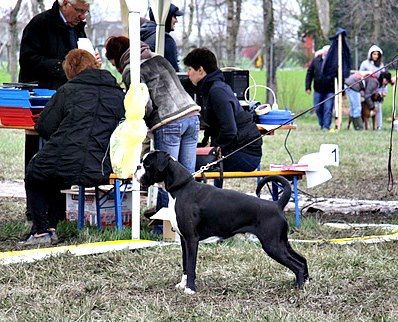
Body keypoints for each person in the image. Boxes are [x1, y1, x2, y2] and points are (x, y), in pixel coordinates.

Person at [22, 49, 125, 245]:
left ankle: (42, 231)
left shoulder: (68, 90)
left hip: (66, 160)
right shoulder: (117, 94)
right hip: (101, 165)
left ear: (70, 69)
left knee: (36, 171)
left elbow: (45, 126)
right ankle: (50, 227)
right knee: (52, 173)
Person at [19, 0, 98, 221]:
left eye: (86, 12)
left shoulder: (77, 28)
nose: (82, 16)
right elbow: (28, 60)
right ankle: (36, 210)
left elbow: (80, 58)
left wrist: (89, 62)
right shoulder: (40, 24)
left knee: (63, 154)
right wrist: (65, 66)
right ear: (65, 3)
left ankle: (59, 208)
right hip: (41, 101)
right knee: (38, 156)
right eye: (80, 10)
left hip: (69, 99)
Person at [183, 47, 262, 179]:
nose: (187, 73)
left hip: (246, 154)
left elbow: (229, 130)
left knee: (187, 164)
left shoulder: (217, 91)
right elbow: (186, 84)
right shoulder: (209, 87)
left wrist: (212, 148)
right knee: (190, 158)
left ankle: (200, 198)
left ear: (201, 70)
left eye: (190, 69)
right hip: (234, 148)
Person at [140, 3, 183, 72]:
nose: (176, 21)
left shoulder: (144, 35)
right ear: (166, 17)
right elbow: (174, 71)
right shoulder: (166, 39)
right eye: (174, 16)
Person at [305, 45, 335, 131]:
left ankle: (326, 126)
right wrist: (308, 87)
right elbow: (309, 73)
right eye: (325, 51)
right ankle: (322, 124)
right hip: (318, 89)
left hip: (330, 90)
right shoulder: (316, 61)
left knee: (328, 108)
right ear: (322, 52)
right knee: (318, 108)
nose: (327, 53)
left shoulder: (333, 62)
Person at [359, 45, 385, 130]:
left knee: (378, 107)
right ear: (370, 54)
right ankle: (364, 125)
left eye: (377, 54)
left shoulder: (381, 65)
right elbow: (360, 75)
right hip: (365, 90)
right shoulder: (364, 63)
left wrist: (384, 90)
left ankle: (379, 125)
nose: (376, 56)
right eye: (374, 54)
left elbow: (383, 79)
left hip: (376, 90)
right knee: (364, 107)